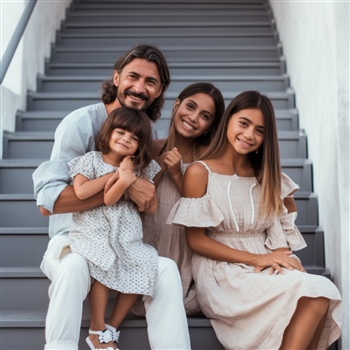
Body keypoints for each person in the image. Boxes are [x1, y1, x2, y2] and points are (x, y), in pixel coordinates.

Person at [32, 44, 191, 350]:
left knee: (166, 269)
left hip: (121, 246)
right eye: (133, 77)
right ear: (116, 78)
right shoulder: (79, 124)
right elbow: (48, 203)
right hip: (74, 238)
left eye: (151, 82)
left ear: (159, 92)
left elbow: (147, 197)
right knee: (74, 266)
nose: (139, 88)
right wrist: (124, 183)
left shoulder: (141, 130)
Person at [167, 90, 342, 350]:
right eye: (244, 123)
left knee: (319, 291)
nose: (249, 135)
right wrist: (258, 259)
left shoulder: (267, 176)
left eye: (259, 130)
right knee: (313, 293)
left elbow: (279, 231)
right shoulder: (199, 172)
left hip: (264, 262)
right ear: (228, 121)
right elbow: (196, 241)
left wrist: (285, 258)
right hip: (220, 271)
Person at [68, 107, 160, 350]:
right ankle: (96, 329)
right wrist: (120, 178)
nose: (126, 140)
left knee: (145, 263)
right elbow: (83, 192)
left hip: (126, 233)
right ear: (107, 133)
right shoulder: (90, 160)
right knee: (105, 259)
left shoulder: (140, 169)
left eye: (134, 138)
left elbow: (150, 208)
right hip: (94, 229)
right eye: (120, 132)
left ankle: (111, 327)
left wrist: (131, 177)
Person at [141, 82, 225, 316]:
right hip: (150, 246)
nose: (194, 117)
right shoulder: (149, 148)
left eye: (205, 116)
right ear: (177, 105)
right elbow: (137, 205)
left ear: (210, 126)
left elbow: (208, 219)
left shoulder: (211, 162)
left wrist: (178, 175)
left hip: (189, 257)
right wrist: (157, 167)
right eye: (190, 106)